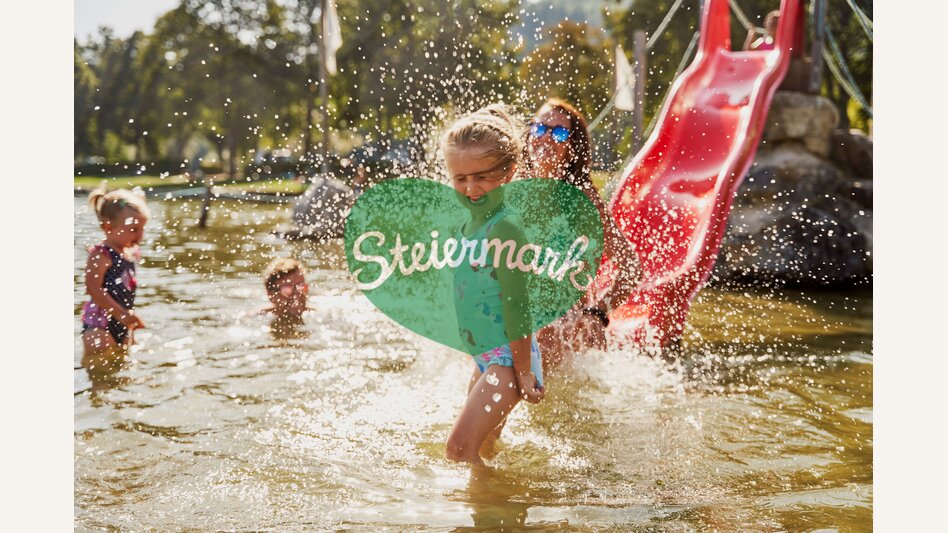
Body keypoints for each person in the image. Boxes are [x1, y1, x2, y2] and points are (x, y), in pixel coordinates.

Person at [441, 104, 546, 465]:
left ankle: (491, 513)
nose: (471, 188)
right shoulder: (468, 224)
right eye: (460, 178)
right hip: (485, 357)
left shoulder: (504, 228)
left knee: (458, 449)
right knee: (483, 448)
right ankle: (497, 514)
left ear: (509, 172)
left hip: (508, 360)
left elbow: (517, 304)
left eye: (483, 177)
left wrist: (522, 374)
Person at [524, 98, 642, 365]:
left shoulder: (581, 201)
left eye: (559, 133)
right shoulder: (513, 188)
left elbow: (631, 267)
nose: (545, 139)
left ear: (571, 148)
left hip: (560, 327)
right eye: (539, 129)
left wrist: (597, 313)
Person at [81, 187, 149, 369]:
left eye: (142, 228)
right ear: (108, 227)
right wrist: (121, 314)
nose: (139, 235)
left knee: (122, 371)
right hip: (100, 326)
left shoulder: (128, 253)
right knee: (100, 374)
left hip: (122, 322)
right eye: (134, 229)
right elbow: (93, 289)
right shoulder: (101, 254)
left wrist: (127, 319)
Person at [260, 257, 311, 336]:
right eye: (287, 290)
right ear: (270, 294)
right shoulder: (259, 317)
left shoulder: (318, 315)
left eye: (301, 287)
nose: (297, 294)